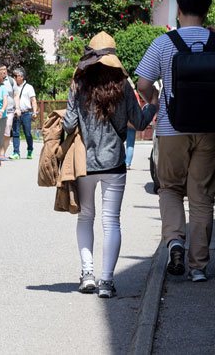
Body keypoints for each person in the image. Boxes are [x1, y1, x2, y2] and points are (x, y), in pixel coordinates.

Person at [136, 0, 215, 282]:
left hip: (172, 128)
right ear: (207, 10)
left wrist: (154, 103)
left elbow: (144, 84)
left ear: (179, 9)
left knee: (170, 188)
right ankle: (198, 267)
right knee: (202, 196)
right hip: (212, 129)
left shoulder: (163, 43)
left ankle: (175, 240)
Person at [65, 32, 156, 298]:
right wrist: (152, 105)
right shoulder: (123, 86)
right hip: (114, 163)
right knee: (111, 221)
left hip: (85, 165)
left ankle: (87, 274)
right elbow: (139, 123)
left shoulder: (78, 85)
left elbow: (69, 125)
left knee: (85, 217)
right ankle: (107, 281)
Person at [10, 68, 38, 160]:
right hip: (16, 113)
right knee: (15, 133)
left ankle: (30, 150)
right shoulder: (13, 86)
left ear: (21, 77)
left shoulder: (29, 87)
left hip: (26, 113)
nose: (14, 77)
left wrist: (34, 112)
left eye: (16, 76)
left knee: (27, 133)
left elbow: (33, 100)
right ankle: (16, 152)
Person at [0, 62, 17, 159]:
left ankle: (2, 152)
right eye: (1, 69)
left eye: (5, 69)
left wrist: (18, 108)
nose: (3, 71)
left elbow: (16, 95)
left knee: (7, 131)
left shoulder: (12, 81)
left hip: (9, 111)